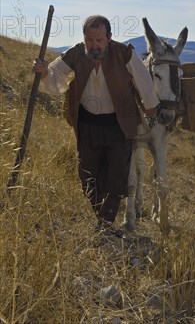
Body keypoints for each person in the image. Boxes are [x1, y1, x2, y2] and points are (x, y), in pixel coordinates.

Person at [33, 15, 159, 235]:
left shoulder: (124, 53)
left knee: (116, 176)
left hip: (119, 126)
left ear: (109, 37)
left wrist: (152, 109)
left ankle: (105, 223)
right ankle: (103, 215)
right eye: (89, 40)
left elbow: (144, 82)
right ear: (84, 39)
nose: (94, 45)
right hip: (87, 125)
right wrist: (44, 72)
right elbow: (56, 78)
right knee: (88, 175)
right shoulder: (75, 54)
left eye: (99, 40)